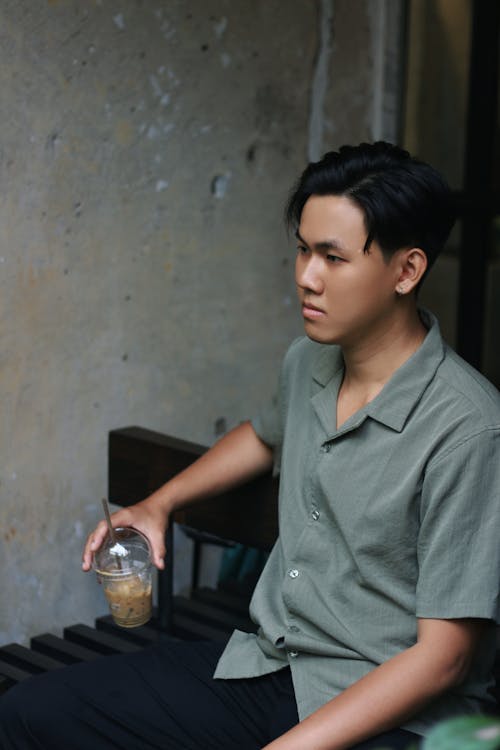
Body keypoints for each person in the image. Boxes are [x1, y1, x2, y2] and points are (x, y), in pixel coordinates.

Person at [1, 141, 499, 750]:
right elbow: (263, 436)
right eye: (302, 249)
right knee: (29, 713)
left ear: (407, 270)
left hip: (395, 713)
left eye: (332, 258)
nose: (305, 277)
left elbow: (443, 661)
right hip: (272, 667)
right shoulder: (310, 361)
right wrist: (160, 503)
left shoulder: (468, 428)